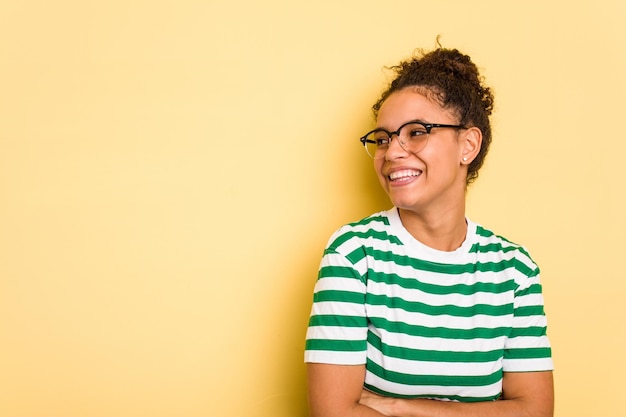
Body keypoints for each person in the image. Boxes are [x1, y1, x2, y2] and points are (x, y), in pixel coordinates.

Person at [304, 45, 554, 417]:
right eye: (384, 138)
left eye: (417, 132)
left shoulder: (515, 269)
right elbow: (334, 413)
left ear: (467, 145)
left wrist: (399, 407)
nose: (392, 153)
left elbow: (536, 411)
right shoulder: (354, 254)